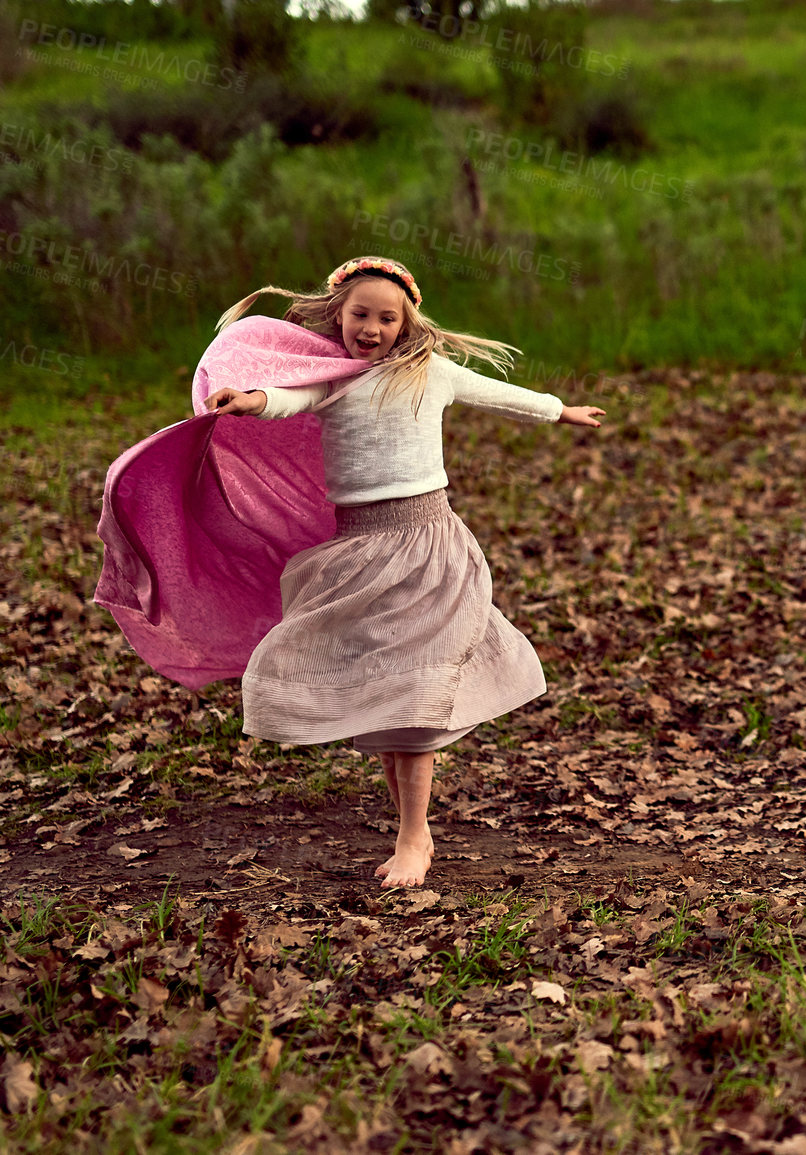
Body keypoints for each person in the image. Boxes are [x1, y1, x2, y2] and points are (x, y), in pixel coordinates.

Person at [202, 256, 604, 888]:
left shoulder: (429, 373)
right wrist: (247, 400)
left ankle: (414, 835)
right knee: (390, 698)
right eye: (361, 315)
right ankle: (410, 827)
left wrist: (559, 411)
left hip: (428, 547)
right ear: (339, 316)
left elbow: (497, 394)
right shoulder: (334, 380)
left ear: (406, 322)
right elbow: (286, 398)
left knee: (414, 704)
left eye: (387, 318)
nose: (372, 328)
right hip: (360, 552)